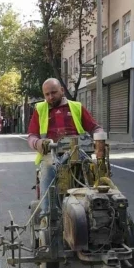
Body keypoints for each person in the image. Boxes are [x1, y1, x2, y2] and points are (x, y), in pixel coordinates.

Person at [27, 78, 104, 223]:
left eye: (54, 93)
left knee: (96, 170)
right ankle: (48, 215)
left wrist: (99, 137)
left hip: (78, 151)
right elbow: (32, 136)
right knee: (49, 169)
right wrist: (38, 143)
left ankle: (97, 208)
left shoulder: (76, 107)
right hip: (52, 153)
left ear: (62, 90)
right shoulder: (40, 110)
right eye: (47, 94)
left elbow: (95, 127)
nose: (50, 97)